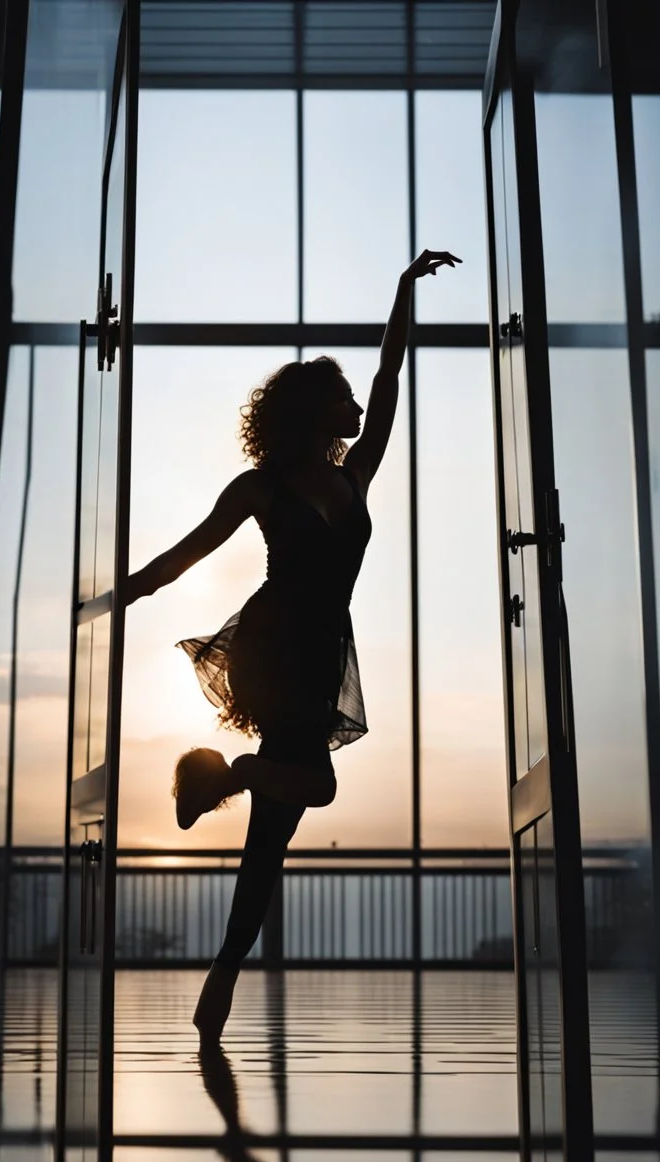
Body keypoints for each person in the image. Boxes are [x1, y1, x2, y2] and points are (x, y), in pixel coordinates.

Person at [127, 249, 461, 1045]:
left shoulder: (357, 476)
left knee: (275, 829)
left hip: (318, 647)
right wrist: (124, 591)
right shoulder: (263, 487)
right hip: (274, 644)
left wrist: (401, 292)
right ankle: (230, 775)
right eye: (338, 398)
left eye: (352, 398)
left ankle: (222, 972)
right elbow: (189, 552)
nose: (353, 407)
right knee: (313, 787)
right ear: (312, 410)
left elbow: (388, 384)